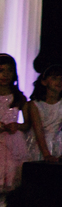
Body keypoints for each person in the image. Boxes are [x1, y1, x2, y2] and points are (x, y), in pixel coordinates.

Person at [26, 64, 62, 163]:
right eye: (54, 78)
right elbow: (38, 129)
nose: (59, 82)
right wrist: (46, 154)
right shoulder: (35, 104)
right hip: (39, 143)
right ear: (44, 81)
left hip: (58, 142)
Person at [0, 54, 30, 193]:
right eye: (1, 70)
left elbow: (27, 124)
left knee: (11, 174)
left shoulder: (19, 97)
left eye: (9, 70)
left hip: (13, 142)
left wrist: (17, 125)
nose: (5, 74)